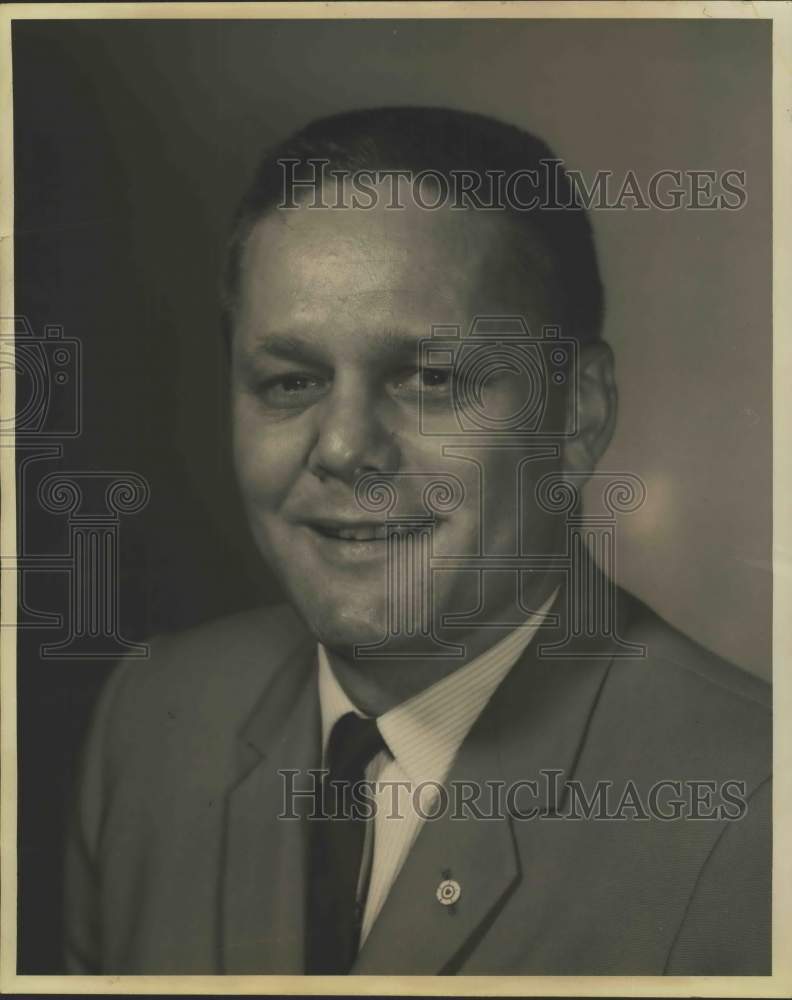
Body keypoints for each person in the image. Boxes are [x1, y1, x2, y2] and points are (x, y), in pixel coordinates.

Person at [64, 107, 770, 976]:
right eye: (291, 381)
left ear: (577, 413)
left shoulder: (757, 828)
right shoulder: (149, 722)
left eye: (432, 378)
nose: (345, 447)